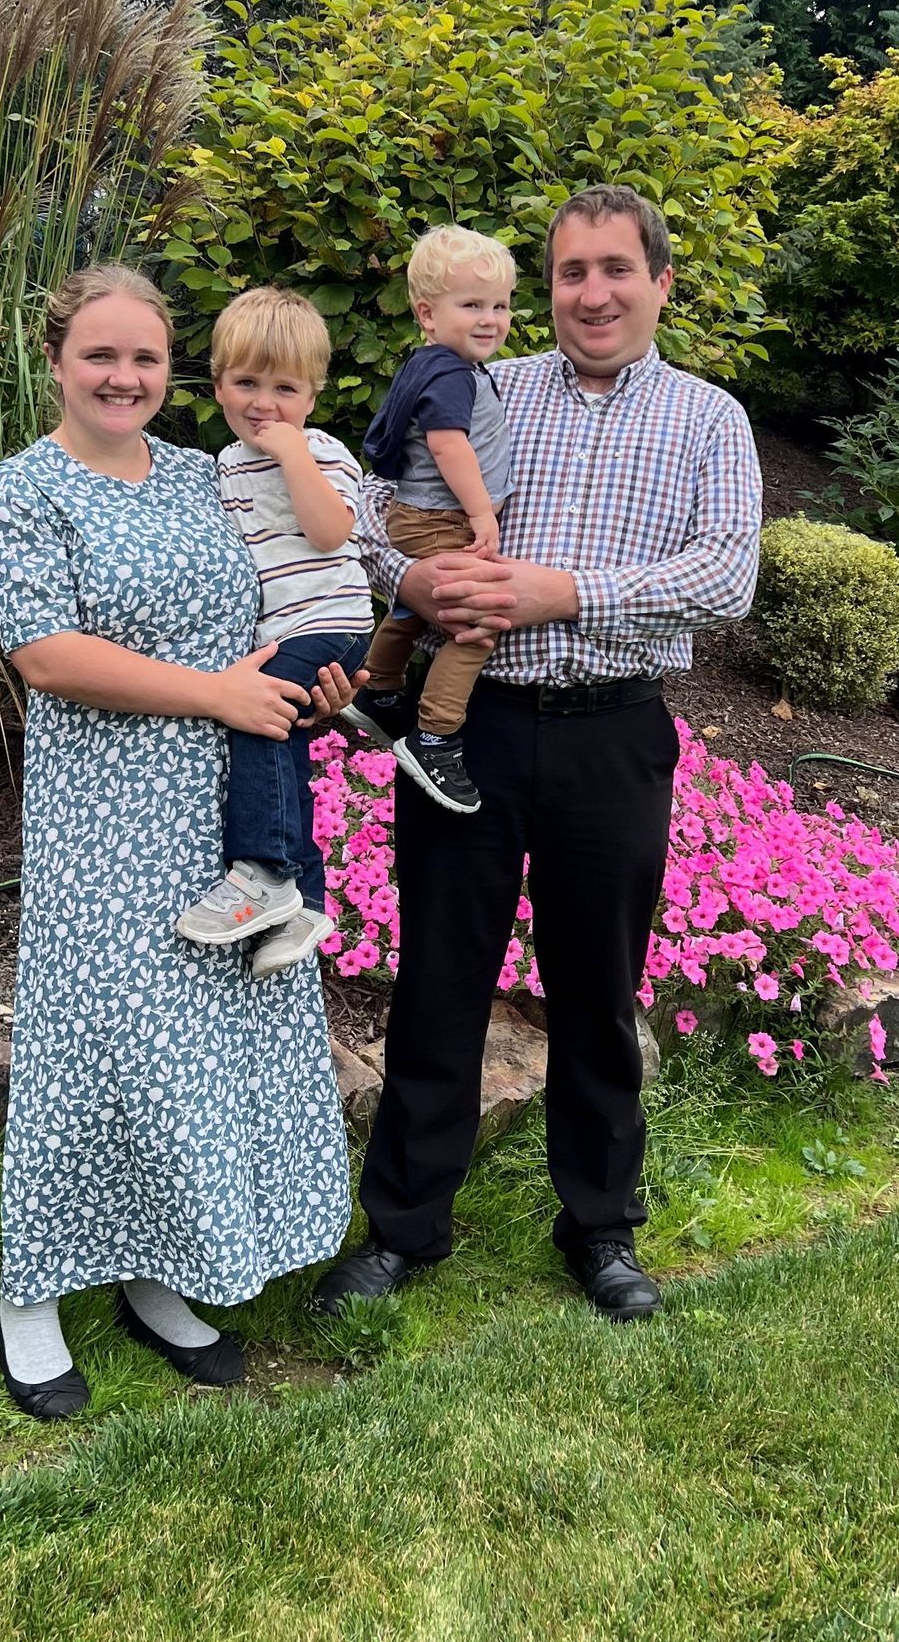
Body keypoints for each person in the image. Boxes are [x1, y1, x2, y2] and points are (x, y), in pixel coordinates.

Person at [314, 184, 763, 1324]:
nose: (592, 292)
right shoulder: (481, 382)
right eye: (571, 273)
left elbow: (727, 575)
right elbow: (364, 503)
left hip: (614, 733)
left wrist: (561, 592)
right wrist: (412, 579)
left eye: (617, 269)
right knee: (439, 983)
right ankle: (405, 1228)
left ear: (661, 282)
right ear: (547, 288)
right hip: (472, 730)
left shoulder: (710, 419)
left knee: (598, 990)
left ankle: (601, 1227)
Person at [0, 265, 358, 1412]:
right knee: (94, 1046)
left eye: (144, 358)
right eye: (100, 356)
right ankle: (31, 1290)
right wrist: (216, 694)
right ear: (55, 361)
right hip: (106, 812)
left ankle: (155, 1271)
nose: (124, 377)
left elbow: (302, 583)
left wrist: (315, 680)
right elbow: (45, 653)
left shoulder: (210, 476)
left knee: (200, 1046)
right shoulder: (24, 490)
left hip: (233, 805)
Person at [173, 286, 375, 977]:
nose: (264, 403)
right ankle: (308, 901)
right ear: (219, 385)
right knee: (282, 737)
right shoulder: (225, 466)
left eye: (284, 387)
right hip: (286, 630)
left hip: (329, 621)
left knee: (257, 721)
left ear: (313, 395)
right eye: (246, 382)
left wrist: (293, 452)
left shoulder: (323, 450)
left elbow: (331, 531)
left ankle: (265, 871)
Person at [357, 225, 516, 815]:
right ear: (427, 312)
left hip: (414, 518)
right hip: (441, 518)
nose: (489, 318)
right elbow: (450, 446)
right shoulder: (451, 372)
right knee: (477, 625)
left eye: (499, 305)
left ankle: (378, 687)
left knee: (409, 602)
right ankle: (435, 736)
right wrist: (481, 513)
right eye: (471, 305)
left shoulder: (431, 364)